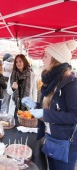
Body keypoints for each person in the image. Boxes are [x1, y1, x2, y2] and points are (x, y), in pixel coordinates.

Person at [22, 40, 77, 170]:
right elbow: (52, 108)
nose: (42, 58)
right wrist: (36, 105)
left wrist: (44, 114)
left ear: (55, 60)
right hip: (51, 139)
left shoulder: (72, 84)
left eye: (45, 56)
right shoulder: (52, 81)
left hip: (66, 145)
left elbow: (75, 116)